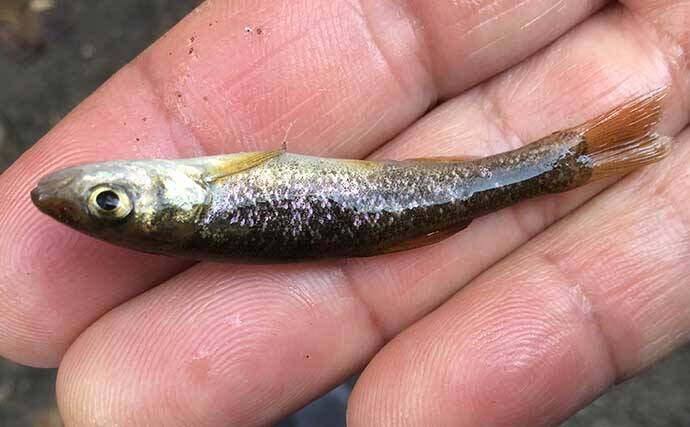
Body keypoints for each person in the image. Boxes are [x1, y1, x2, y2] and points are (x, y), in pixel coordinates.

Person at [0, 1, 688, 425]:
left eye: (107, 199)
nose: (102, 192)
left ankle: (572, 160)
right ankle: (571, 160)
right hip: (390, 204)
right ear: (165, 210)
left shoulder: (195, 210)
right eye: (110, 201)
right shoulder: (204, 194)